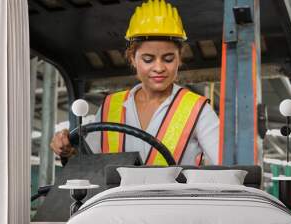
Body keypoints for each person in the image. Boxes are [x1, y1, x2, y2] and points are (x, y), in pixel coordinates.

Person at [50, 0, 219, 165]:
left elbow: (225, 164)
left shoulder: (197, 109)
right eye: (148, 59)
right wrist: (69, 151)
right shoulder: (111, 106)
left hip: (173, 195)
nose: (159, 68)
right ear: (133, 58)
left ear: (179, 58)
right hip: (115, 195)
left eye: (168, 59)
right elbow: (92, 164)